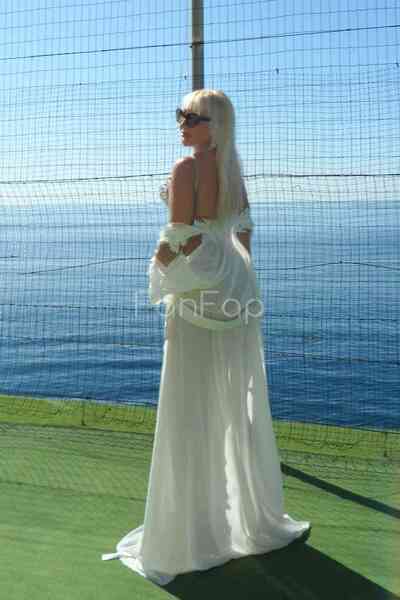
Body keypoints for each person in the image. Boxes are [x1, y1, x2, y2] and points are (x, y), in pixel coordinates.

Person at [101, 89, 311, 586]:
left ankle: (191, 534)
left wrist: (157, 274)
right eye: (181, 116)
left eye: (190, 117)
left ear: (213, 124)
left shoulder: (186, 169)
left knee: (188, 400)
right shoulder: (234, 170)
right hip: (235, 286)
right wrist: (233, 273)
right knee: (235, 400)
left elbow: (177, 237)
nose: (182, 124)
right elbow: (244, 232)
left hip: (198, 289)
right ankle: (245, 519)